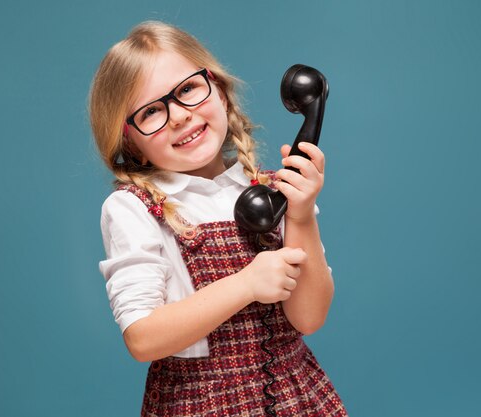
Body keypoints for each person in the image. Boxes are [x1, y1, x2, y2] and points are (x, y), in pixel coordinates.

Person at [89, 20, 348, 417]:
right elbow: (142, 338)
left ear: (220, 91)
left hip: (298, 398)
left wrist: (301, 215)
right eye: (152, 112)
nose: (178, 116)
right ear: (131, 143)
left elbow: (309, 318)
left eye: (188, 89)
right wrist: (246, 284)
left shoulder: (272, 189)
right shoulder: (134, 208)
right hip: (199, 404)